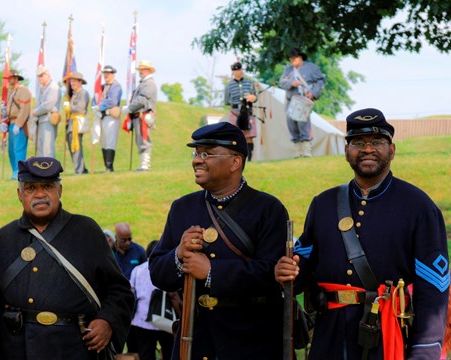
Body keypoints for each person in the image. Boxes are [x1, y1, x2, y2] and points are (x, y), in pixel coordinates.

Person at [274, 108, 449, 360]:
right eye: (358, 143)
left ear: (392, 150)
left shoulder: (419, 207)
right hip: (329, 335)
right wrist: (286, 271)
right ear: (347, 152)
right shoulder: (323, 203)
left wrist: (424, 350)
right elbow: (301, 269)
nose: (368, 149)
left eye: (377, 142)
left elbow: (434, 288)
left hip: (387, 335)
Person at [149, 122, 290, 359]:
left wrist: (213, 271)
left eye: (207, 153)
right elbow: (158, 275)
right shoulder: (182, 207)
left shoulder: (268, 209)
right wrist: (179, 254)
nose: (196, 160)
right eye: (196, 153)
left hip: (252, 341)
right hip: (195, 339)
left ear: (235, 162)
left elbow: (273, 274)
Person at [0, 157, 134, 359]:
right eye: (31, 188)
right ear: (19, 194)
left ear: (60, 191)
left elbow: (119, 291)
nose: (40, 194)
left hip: (74, 350)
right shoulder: (4, 239)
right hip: (16, 351)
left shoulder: (86, 232)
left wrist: (107, 321)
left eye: (47, 186)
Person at [129, 240, 177, 360]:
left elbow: (132, 291)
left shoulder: (137, 270)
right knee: (168, 352)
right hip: (163, 319)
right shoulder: (165, 270)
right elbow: (173, 295)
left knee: (146, 354)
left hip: (141, 319)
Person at [279, 47, 325, 158]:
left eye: (294, 58)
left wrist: (313, 93)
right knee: (292, 125)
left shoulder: (311, 68)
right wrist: (292, 83)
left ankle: (306, 151)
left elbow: (321, 80)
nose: (292, 61)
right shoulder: (288, 70)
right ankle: (298, 151)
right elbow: (282, 83)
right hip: (291, 100)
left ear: (300, 58)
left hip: (304, 100)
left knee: (303, 124)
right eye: (291, 59)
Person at [124, 60, 157, 172]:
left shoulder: (149, 84)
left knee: (144, 140)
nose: (141, 71)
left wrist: (129, 108)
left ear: (148, 70)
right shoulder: (144, 83)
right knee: (141, 140)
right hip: (139, 115)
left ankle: (145, 164)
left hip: (144, 115)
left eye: (143, 69)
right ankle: (143, 163)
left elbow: (142, 100)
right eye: (141, 69)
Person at [1, 70, 32, 180]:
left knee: (19, 149)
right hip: (11, 122)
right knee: (11, 150)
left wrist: (19, 124)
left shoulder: (23, 91)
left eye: (11, 77)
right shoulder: (10, 92)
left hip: (20, 123)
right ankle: (15, 170)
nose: (9, 80)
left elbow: (24, 109)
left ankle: (20, 171)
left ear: (16, 78)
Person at [224, 61, 258, 161]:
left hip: (247, 112)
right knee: (236, 137)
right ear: (233, 71)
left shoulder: (249, 83)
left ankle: (249, 159)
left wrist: (253, 98)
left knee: (249, 137)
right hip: (235, 112)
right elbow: (226, 101)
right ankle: (238, 159)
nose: (239, 71)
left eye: (240, 69)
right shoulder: (229, 85)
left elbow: (256, 98)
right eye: (236, 70)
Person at [95, 65, 123, 172]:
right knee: (103, 141)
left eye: (108, 73)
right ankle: (106, 166)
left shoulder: (116, 86)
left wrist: (100, 106)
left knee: (110, 141)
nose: (106, 75)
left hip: (111, 116)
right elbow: (96, 98)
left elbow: (112, 101)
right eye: (105, 73)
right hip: (103, 116)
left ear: (113, 74)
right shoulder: (103, 86)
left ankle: (110, 166)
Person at [31, 66, 61, 158]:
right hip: (41, 119)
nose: (40, 78)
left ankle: (49, 171)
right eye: (38, 76)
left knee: (47, 149)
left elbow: (48, 105)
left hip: (49, 119)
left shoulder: (53, 87)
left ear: (48, 75)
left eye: (42, 75)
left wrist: (35, 112)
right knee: (40, 148)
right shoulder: (42, 88)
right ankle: (41, 171)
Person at [64, 72, 90, 174]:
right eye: (71, 81)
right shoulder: (74, 94)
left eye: (74, 81)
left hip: (77, 123)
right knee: (73, 146)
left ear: (80, 82)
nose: (72, 83)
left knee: (76, 146)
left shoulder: (83, 93)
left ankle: (79, 169)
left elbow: (81, 108)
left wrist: (69, 108)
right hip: (71, 122)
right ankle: (81, 168)